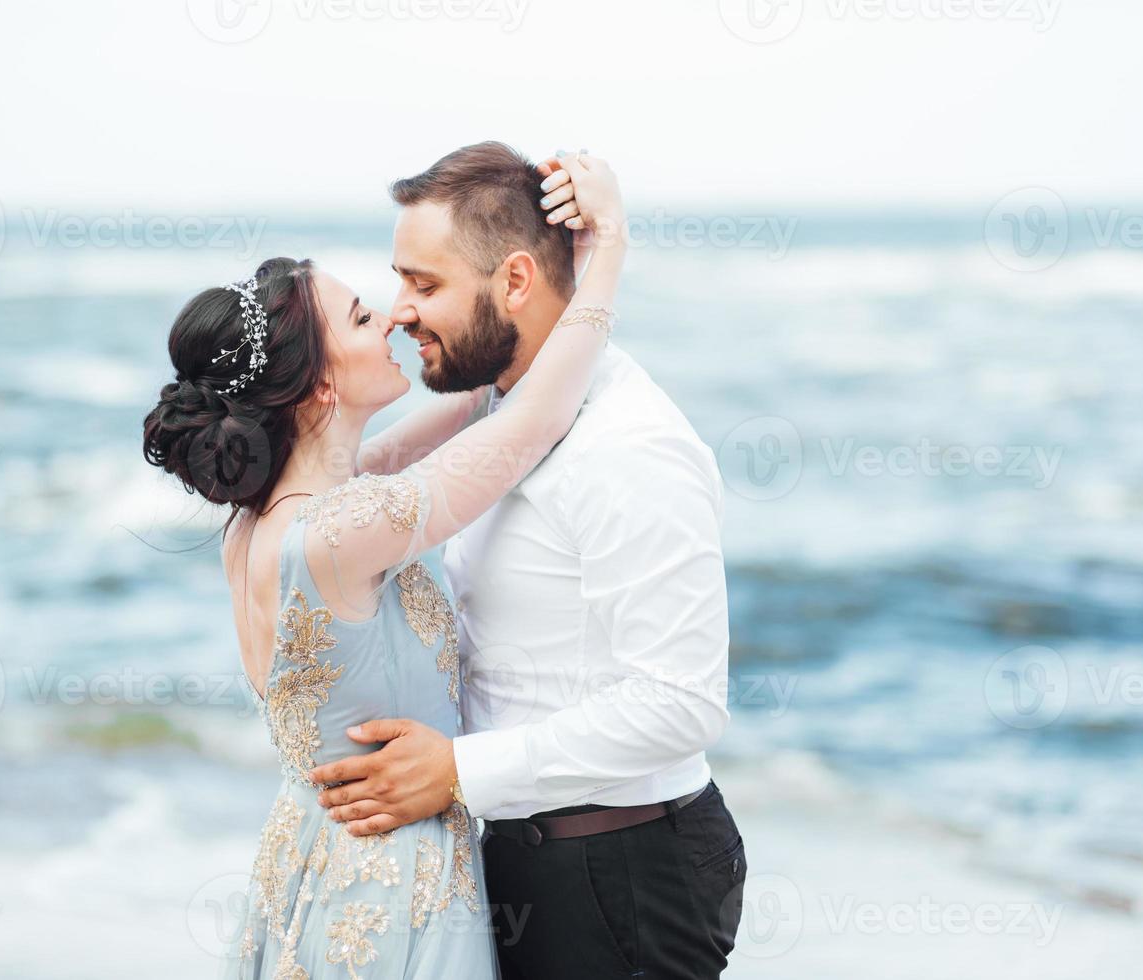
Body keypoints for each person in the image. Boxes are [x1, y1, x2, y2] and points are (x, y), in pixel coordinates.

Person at [142, 151, 622, 978]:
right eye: (364, 319)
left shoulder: (270, 522)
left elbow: (479, 404)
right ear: (321, 389)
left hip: (310, 859)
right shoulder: (343, 530)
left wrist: (526, 280)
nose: (395, 321)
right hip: (393, 883)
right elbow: (529, 423)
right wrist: (602, 250)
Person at [311, 142, 746, 980]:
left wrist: (458, 770)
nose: (399, 311)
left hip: (621, 875)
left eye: (424, 284)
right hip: (523, 856)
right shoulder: (498, 413)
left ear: (515, 281)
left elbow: (681, 702)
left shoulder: (631, 448)